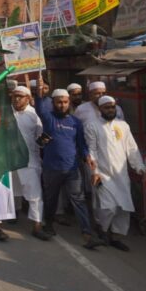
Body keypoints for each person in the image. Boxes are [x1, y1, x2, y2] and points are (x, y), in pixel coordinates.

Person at [34, 82, 104, 250]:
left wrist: (87, 156)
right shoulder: (48, 118)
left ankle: (87, 235)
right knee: (51, 200)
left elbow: (81, 144)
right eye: (59, 101)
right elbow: (39, 105)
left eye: (65, 102)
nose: (62, 104)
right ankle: (49, 225)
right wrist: (39, 91)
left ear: (69, 102)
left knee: (79, 201)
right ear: (53, 102)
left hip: (72, 169)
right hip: (52, 169)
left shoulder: (75, 122)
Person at [85, 96, 145, 252]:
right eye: (107, 107)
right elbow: (91, 150)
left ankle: (116, 238)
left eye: (112, 107)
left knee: (123, 208)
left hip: (121, 174)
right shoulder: (92, 126)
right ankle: (102, 232)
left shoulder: (123, 125)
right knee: (108, 207)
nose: (110, 110)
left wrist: (138, 166)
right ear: (100, 109)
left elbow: (132, 148)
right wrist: (95, 171)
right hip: (103, 174)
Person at [10, 86, 50, 241]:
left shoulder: (34, 116)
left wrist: (45, 140)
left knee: (34, 195)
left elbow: (41, 140)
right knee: (11, 190)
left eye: (20, 96)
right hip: (10, 160)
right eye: (14, 96)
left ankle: (37, 226)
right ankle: (12, 214)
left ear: (28, 98)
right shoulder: (6, 113)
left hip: (29, 161)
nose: (16, 99)